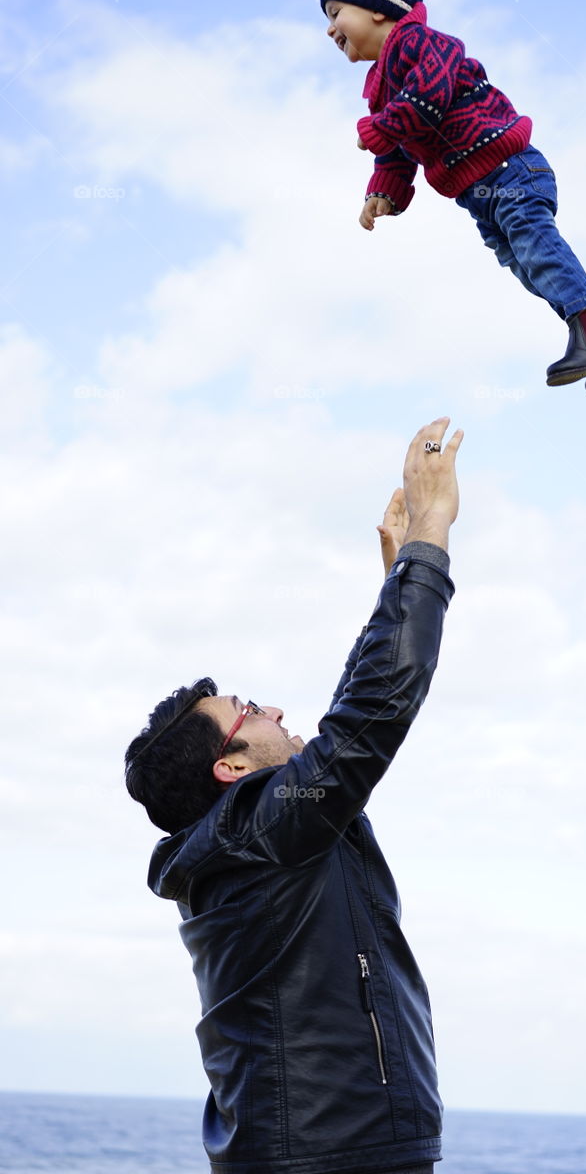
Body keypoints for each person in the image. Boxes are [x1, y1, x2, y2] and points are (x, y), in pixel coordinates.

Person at [124, 416, 463, 1174]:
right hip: (325, 1155)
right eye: (250, 712)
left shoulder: (256, 838)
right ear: (232, 769)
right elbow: (368, 718)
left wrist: (394, 588)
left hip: (317, 1149)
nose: (274, 709)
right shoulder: (259, 830)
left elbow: (348, 734)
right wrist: (427, 541)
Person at [320, 0, 586, 400]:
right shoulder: (380, 88)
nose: (329, 28)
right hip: (478, 192)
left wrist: (379, 126)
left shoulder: (421, 43)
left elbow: (428, 98)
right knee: (523, 265)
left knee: (535, 245)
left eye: (335, 13)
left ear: (376, 7)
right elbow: (394, 150)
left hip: (508, 169)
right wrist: (384, 190)